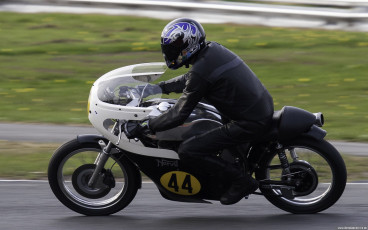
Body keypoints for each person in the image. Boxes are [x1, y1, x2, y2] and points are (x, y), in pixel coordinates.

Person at [126, 18, 274, 205]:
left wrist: (147, 125)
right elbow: (190, 80)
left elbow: (180, 113)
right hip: (252, 109)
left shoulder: (202, 69)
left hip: (248, 121)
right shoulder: (211, 51)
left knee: (189, 149)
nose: (170, 52)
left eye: (174, 47)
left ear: (190, 44)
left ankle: (242, 181)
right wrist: (157, 88)